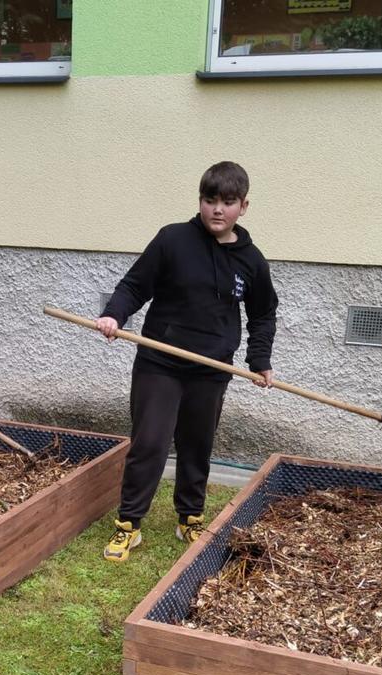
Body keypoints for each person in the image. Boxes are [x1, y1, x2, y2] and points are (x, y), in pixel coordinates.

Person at [95, 161, 278, 562]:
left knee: (197, 446)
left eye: (228, 202)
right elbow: (135, 285)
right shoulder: (173, 240)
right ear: (200, 201)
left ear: (244, 206)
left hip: (212, 370)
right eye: (210, 200)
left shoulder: (252, 261)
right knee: (150, 443)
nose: (218, 209)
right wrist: (114, 315)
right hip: (160, 362)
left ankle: (190, 517)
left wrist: (259, 360)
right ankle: (129, 524)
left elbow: (263, 314)